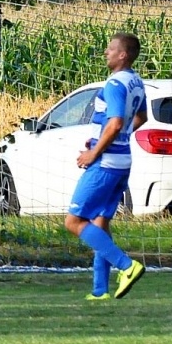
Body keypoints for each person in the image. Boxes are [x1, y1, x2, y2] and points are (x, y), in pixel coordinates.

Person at [64, 32, 148, 300]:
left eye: (110, 48)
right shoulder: (136, 81)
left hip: (106, 163)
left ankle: (127, 266)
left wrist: (95, 151)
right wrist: (109, 139)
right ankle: (100, 290)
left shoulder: (114, 83)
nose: (106, 52)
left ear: (123, 55)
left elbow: (115, 123)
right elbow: (142, 117)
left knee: (74, 221)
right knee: (100, 223)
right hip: (123, 161)